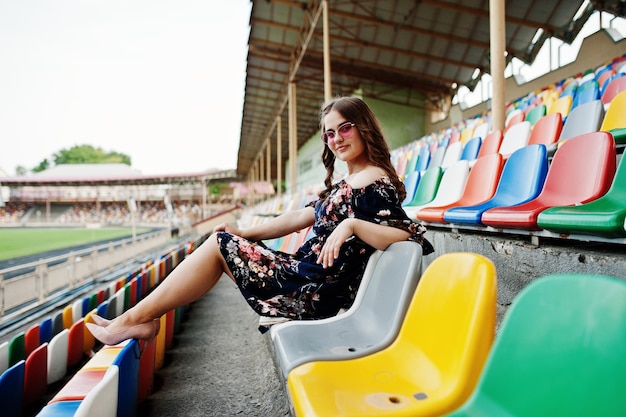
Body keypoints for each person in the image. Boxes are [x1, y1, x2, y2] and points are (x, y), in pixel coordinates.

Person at [86, 96, 434, 345]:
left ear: (363, 129)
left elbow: (406, 237)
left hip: (316, 289)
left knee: (220, 245)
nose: (336, 139)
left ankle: (134, 320)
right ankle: (137, 320)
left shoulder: (375, 181)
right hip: (307, 275)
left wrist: (351, 225)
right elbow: (298, 216)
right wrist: (245, 231)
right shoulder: (347, 184)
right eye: (329, 133)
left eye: (344, 128)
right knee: (226, 241)